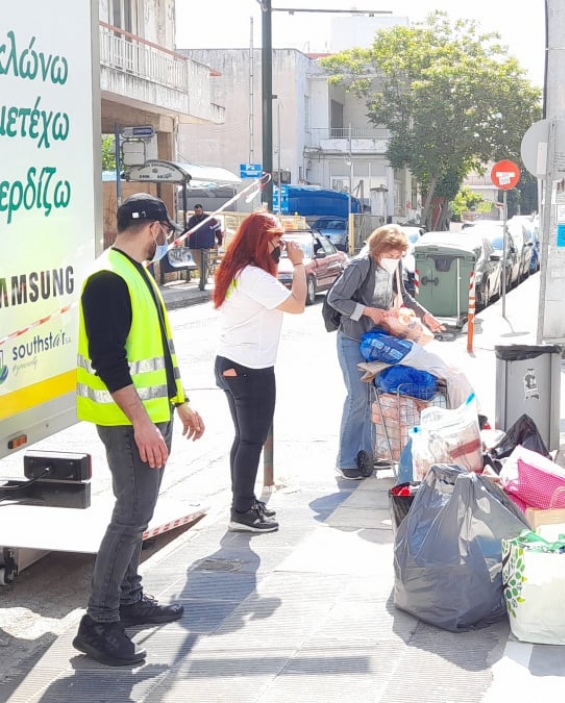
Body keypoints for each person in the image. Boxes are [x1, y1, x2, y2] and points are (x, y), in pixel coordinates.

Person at [74, 192, 206, 666]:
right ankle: (99, 622)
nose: (165, 239)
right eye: (164, 231)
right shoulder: (109, 278)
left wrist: (181, 402)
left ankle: (127, 599)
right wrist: (143, 423)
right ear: (153, 228)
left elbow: (157, 353)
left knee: (138, 515)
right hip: (130, 423)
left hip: (148, 418)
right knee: (130, 518)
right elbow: (111, 362)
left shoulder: (133, 272)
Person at [212, 212, 307, 532]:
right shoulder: (253, 276)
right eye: (274, 239)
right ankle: (241, 511)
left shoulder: (239, 271)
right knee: (252, 440)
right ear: (258, 240)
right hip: (250, 369)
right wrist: (298, 265)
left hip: (233, 364)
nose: (279, 245)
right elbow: (296, 305)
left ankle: (245, 501)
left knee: (245, 438)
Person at [326, 224, 444, 479]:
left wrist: (426, 316)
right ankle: (346, 459)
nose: (395, 260)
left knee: (371, 397)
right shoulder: (360, 266)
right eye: (391, 255)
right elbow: (335, 298)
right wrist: (368, 311)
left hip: (377, 340)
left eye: (399, 255)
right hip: (353, 338)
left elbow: (402, 296)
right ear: (378, 250)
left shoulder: (394, 266)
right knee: (357, 396)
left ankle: (366, 456)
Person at [185, 204, 224, 291]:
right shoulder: (192, 220)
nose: (197, 212)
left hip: (206, 246)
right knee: (198, 263)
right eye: (196, 211)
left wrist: (219, 242)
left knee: (204, 263)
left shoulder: (210, 219)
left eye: (199, 211)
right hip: (194, 245)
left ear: (202, 210)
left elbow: (218, 231)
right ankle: (204, 278)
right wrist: (180, 238)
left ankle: (202, 280)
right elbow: (187, 231)